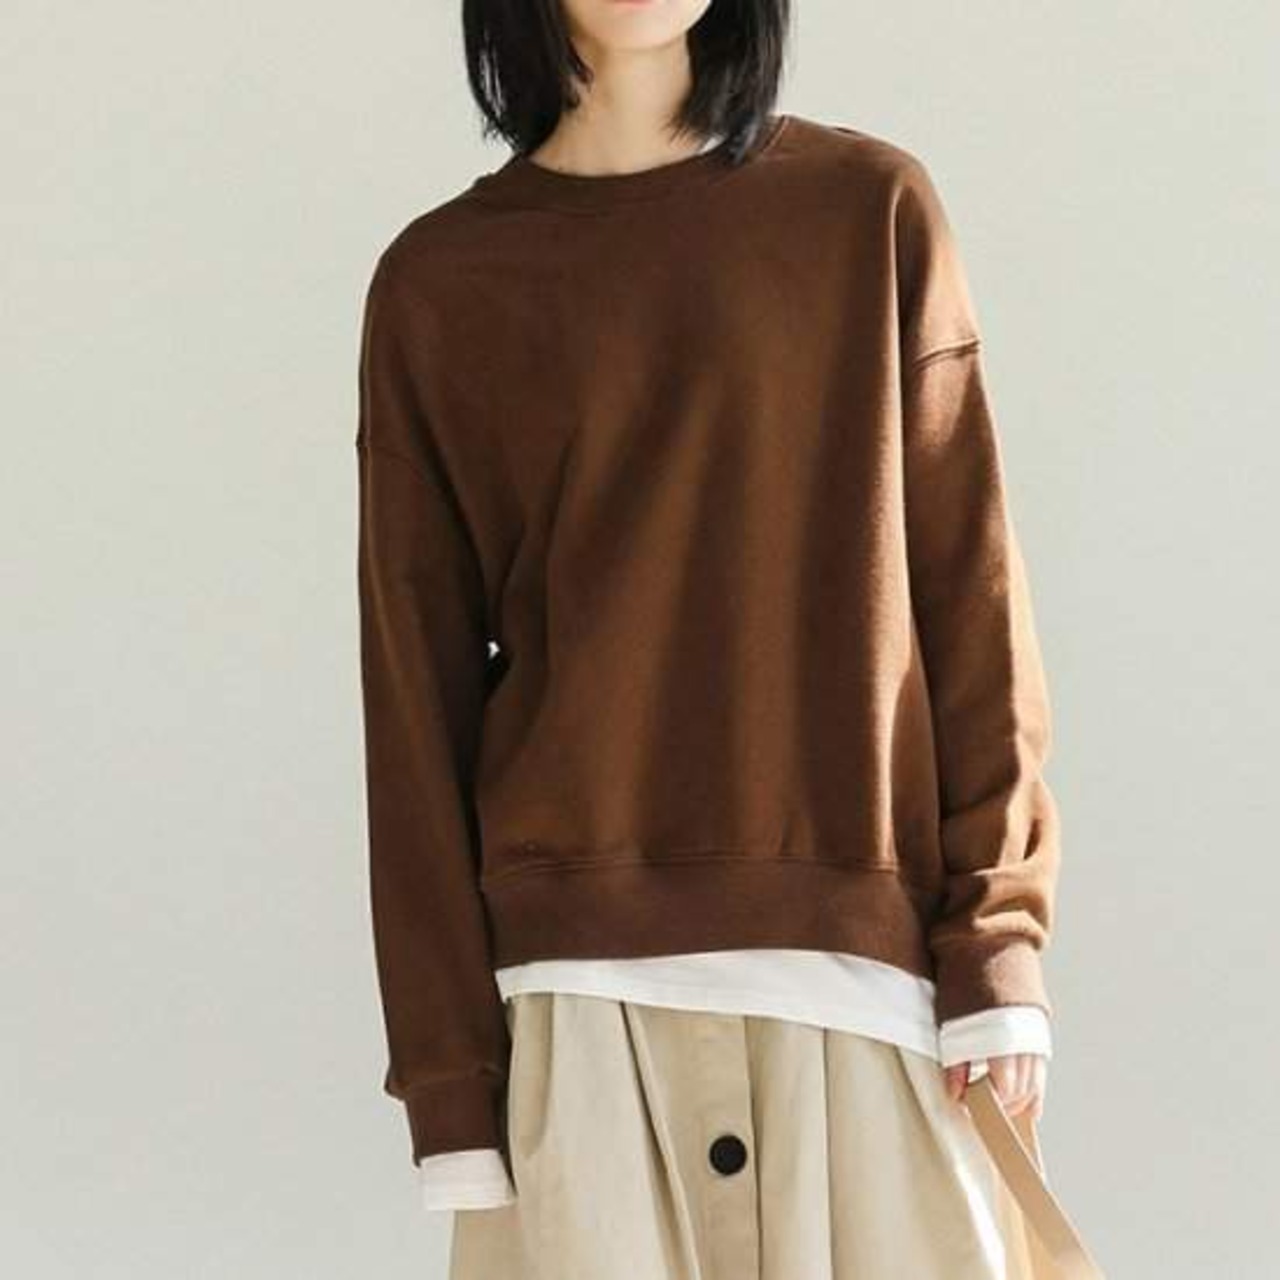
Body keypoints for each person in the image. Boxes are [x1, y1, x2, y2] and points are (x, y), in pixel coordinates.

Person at [353, 1, 1063, 1275]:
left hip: (866, 990)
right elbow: (412, 697)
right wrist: (448, 1076)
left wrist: (994, 940)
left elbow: (972, 602)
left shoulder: (868, 213)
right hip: (578, 1015)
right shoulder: (440, 283)